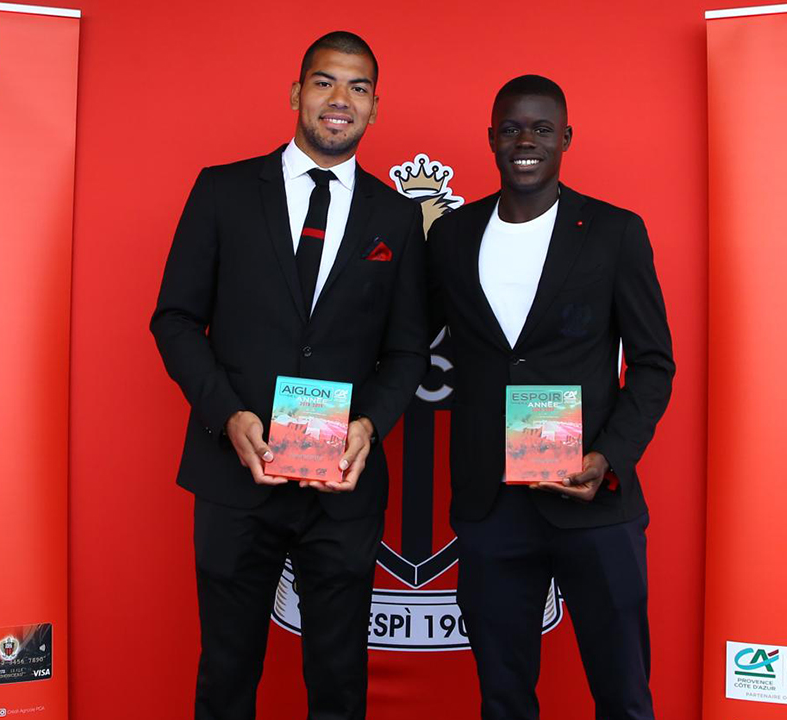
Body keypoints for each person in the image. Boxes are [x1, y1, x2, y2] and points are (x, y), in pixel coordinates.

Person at [150, 31, 428, 720]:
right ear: (297, 92)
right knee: (226, 677)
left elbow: (407, 352)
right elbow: (175, 319)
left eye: (358, 87)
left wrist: (370, 425)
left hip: (342, 490)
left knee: (339, 684)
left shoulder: (396, 216)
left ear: (375, 106)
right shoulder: (222, 191)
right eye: (325, 82)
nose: (341, 100)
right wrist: (228, 415)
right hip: (234, 475)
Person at [427, 74, 675, 720]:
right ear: (491, 139)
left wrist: (607, 458)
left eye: (541, 129)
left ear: (566, 137)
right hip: (490, 506)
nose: (525, 142)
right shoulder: (452, 237)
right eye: (511, 129)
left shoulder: (615, 232)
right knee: (503, 700)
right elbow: (403, 341)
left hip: (591, 499)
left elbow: (653, 365)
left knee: (624, 698)